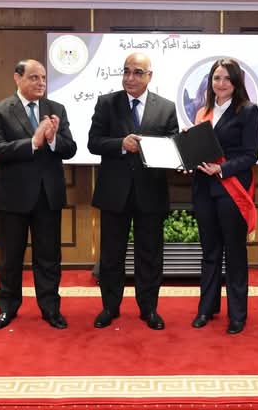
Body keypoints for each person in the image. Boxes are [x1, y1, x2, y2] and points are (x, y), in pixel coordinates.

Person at [88, 52, 179, 330]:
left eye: (138, 72)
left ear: (150, 76)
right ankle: (110, 307)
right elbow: (93, 142)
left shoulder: (166, 107)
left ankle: (149, 309)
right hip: (114, 192)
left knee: (150, 255)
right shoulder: (107, 103)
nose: (130, 77)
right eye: (126, 71)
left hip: (150, 192)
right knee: (111, 255)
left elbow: (173, 146)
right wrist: (120, 144)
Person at [0, 59, 77, 330]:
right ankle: (7, 308)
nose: (41, 83)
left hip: (48, 196)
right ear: (18, 78)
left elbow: (70, 149)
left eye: (44, 78)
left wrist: (53, 139)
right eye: (34, 77)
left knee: (48, 257)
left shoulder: (56, 109)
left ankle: (50, 308)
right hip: (12, 197)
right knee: (10, 257)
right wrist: (33, 143)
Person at [190, 58, 258, 335]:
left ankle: (237, 314)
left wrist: (222, 168)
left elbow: (250, 155)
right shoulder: (202, 111)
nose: (221, 83)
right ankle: (206, 309)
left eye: (227, 79)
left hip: (232, 189)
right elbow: (200, 150)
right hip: (204, 190)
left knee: (234, 253)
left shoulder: (248, 111)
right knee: (209, 252)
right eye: (216, 78)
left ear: (236, 82)